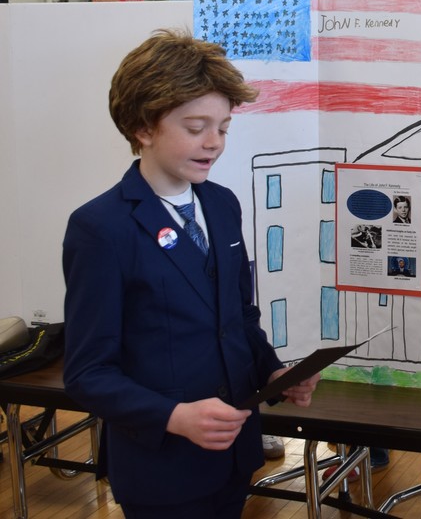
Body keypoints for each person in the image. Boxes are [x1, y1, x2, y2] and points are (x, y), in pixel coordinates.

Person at [62, 30, 320, 519]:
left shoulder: (222, 204)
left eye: (223, 127)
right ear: (143, 127)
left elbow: (238, 316)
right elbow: (87, 373)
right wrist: (174, 416)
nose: (214, 143)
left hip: (234, 451)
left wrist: (273, 372)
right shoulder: (101, 228)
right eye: (196, 127)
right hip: (162, 468)